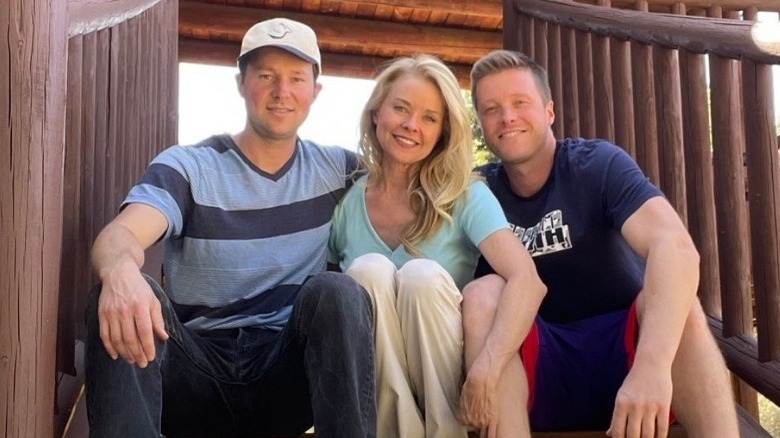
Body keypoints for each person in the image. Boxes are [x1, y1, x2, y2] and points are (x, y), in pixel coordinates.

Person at [83, 18, 376, 438]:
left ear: (316, 91)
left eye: (296, 78)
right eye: (266, 76)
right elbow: (120, 236)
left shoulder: (340, 170)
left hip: (284, 376)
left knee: (339, 291)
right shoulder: (189, 166)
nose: (282, 91)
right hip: (193, 375)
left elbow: (412, 182)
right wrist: (120, 273)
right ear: (241, 83)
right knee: (118, 296)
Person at [459, 49, 739, 438]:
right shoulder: (477, 191)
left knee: (682, 308)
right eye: (491, 109)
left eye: (520, 102)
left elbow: (675, 248)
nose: (507, 117)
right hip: (538, 366)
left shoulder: (597, 164)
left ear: (549, 111)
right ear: (482, 124)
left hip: (625, 355)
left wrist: (651, 367)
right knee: (484, 293)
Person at [328, 54, 546, 438]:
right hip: (375, 396)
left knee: (422, 276)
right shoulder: (347, 204)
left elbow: (527, 280)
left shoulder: (465, 195)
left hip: (446, 382)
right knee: (366, 272)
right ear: (377, 113)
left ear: (443, 131)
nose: (412, 126)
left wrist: (485, 371)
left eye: (429, 118)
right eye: (401, 109)